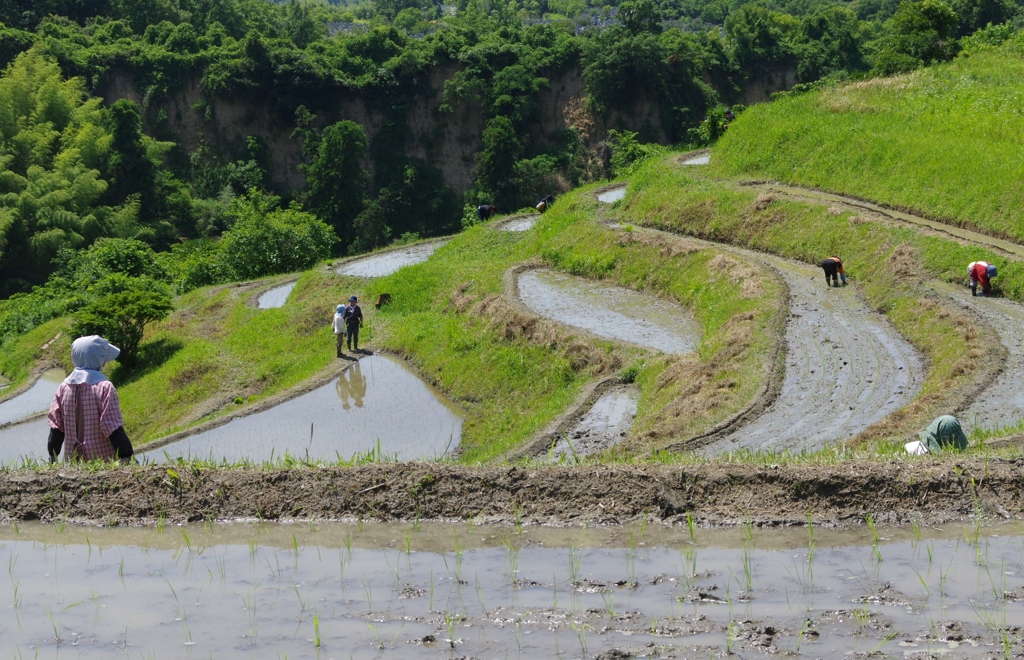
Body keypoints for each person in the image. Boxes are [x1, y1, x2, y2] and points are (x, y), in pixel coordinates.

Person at [46, 335, 133, 464]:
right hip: (103, 462)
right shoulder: (104, 387)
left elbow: (56, 429)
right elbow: (113, 428)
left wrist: (52, 459)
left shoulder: (63, 388)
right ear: (98, 360)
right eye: (103, 358)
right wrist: (127, 457)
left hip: (74, 464)